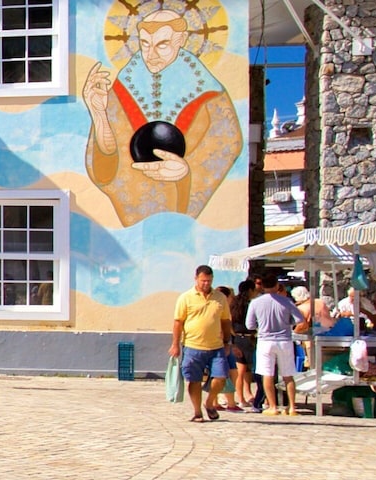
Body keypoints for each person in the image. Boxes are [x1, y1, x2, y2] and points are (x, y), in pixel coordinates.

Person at [81, 9, 241, 227]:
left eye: (162, 45)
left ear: (181, 40)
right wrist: (98, 113)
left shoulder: (206, 89)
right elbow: (108, 158)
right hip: (135, 203)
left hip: (178, 193)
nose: (151, 55)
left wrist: (187, 169)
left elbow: (226, 143)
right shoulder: (124, 85)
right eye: (145, 45)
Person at [171, 265, 232, 423]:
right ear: (196, 279)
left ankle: (210, 402)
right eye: (203, 280)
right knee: (194, 379)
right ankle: (197, 412)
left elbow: (225, 321)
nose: (206, 284)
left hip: (216, 346)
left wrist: (227, 341)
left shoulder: (220, 297)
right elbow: (178, 322)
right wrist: (175, 344)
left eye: (209, 281)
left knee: (221, 377)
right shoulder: (186, 297)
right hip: (193, 346)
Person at [245, 274, 302, 416]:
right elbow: (299, 319)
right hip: (284, 340)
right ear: (277, 285)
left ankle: (272, 406)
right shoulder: (287, 302)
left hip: (265, 340)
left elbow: (250, 325)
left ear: (262, 286)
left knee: (267, 374)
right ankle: (292, 406)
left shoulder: (255, 303)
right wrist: (287, 322)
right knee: (288, 375)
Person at [224, 280, 258, 413]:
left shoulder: (234, 304)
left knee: (241, 370)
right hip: (249, 337)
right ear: (250, 290)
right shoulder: (251, 304)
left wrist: (233, 335)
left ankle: (242, 397)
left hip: (238, 337)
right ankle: (243, 396)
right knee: (244, 370)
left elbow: (230, 321)